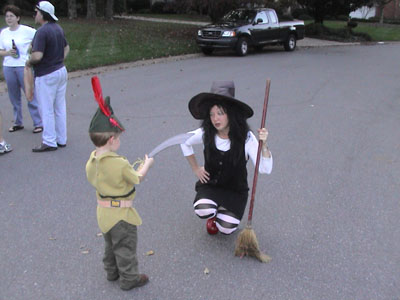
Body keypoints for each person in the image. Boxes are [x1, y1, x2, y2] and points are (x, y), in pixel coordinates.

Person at [86, 78, 154, 291]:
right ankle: (129, 278)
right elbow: (137, 178)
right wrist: (146, 165)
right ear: (111, 140)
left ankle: (112, 272)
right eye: (118, 137)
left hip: (103, 214)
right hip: (121, 215)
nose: (120, 140)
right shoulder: (119, 163)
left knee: (110, 244)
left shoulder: (92, 160)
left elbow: (94, 178)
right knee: (125, 246)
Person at [180, 81, 273, 235]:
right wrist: (196, 168)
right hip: (211, 186)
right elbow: (184, 141)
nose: (215, 119)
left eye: (220, 113)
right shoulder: (205, 132)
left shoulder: (246, 138)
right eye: (212, 114)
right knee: (203, 209)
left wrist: (264, 146)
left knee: (226, 228)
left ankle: (221, 216)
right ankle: (213, 212)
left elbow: (264, 169)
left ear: (231, 113)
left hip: (235, 191)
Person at [26, 1, 69, 152]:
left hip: (46, 74)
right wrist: (58, 60)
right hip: (60, 71)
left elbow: (37, 55)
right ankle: (61, 138)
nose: (35, 14)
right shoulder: (58, 28)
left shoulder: (42, 32)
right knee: (59, 106)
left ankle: (49, 141)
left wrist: (29, 62)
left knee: (46, 108)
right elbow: (66, 47)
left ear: (43, 14)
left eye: (37, 12)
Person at [0, 4, 42, 134]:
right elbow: (0, 50)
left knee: (30, 94)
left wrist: (31, 46)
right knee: (14, 97)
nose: (9, 19)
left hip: (23, 67)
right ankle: (18, 122)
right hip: (8, 67)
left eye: (12, 16)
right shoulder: (4, 33)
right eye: (7, 16)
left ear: (18, 18)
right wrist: (7, 53)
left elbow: (39, 37)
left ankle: (38, 123)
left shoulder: (26, 30)